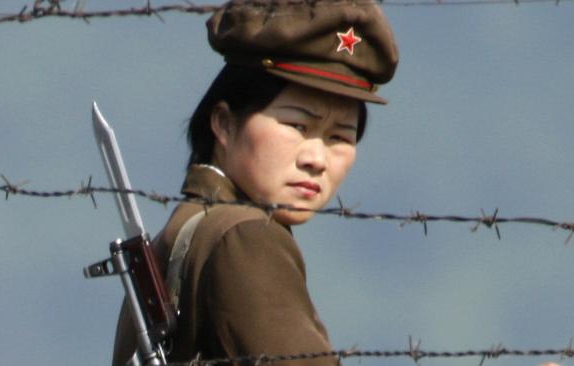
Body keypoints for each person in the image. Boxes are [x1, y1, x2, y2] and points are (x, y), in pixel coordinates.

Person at [112, 0, 398, 364]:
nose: (316, 158)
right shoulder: (244, 236)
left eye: (340, 137)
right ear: (224, 123)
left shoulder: (180, 232)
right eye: (297, 126)